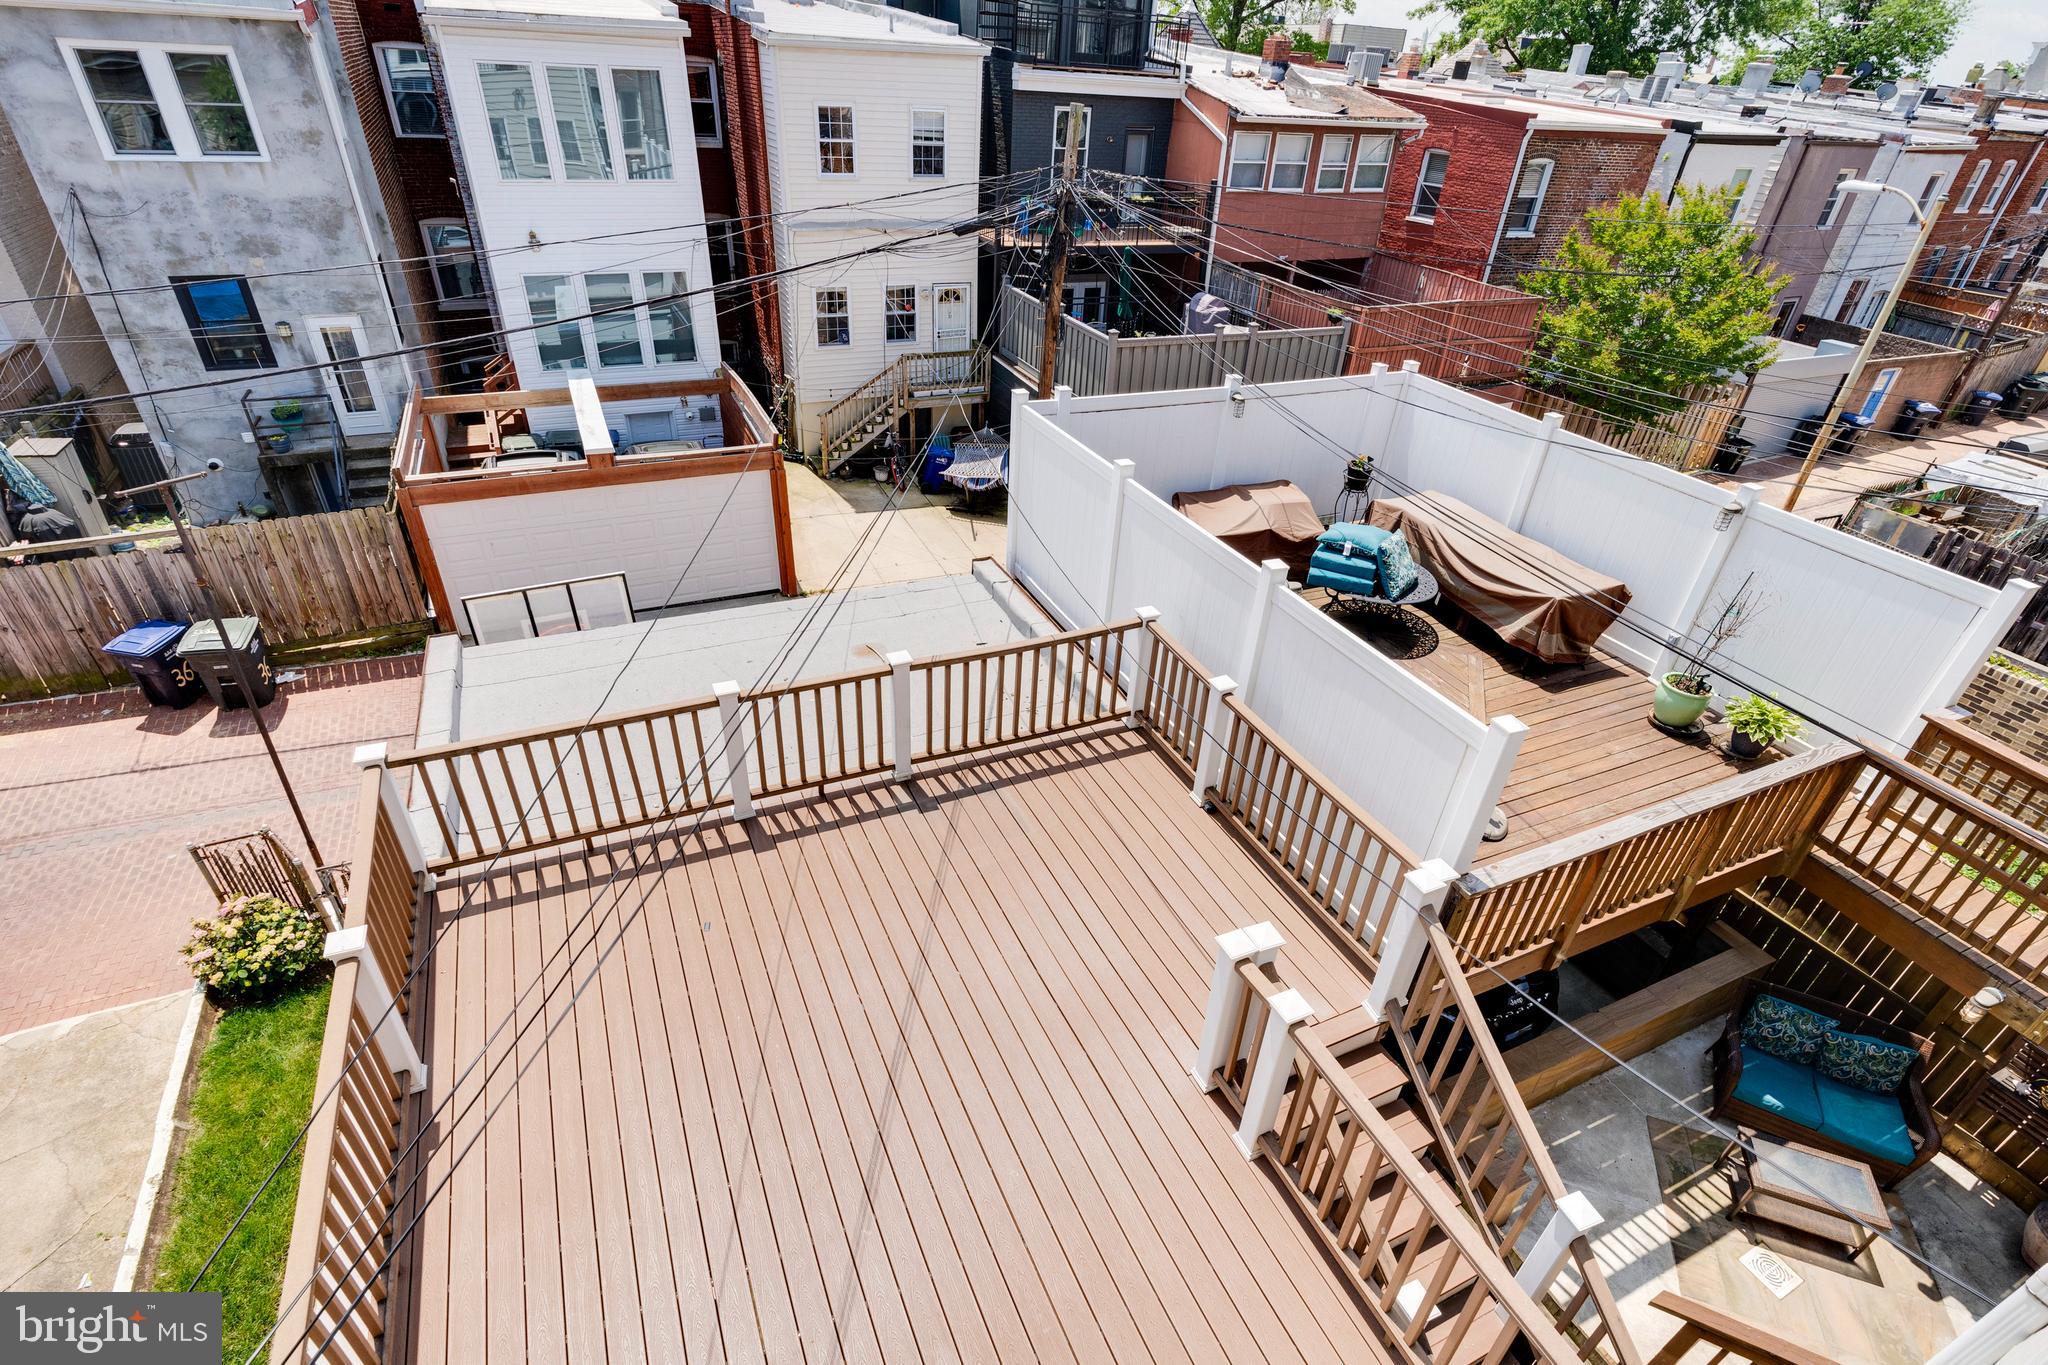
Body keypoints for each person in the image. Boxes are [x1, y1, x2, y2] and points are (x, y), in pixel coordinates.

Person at [12, 501, 90, 563]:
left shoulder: (26, 521)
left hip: (49, 543)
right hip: (69, 532)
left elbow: (26, 536)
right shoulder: (52, 511)